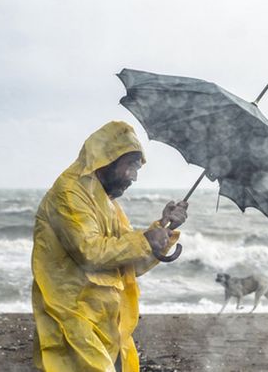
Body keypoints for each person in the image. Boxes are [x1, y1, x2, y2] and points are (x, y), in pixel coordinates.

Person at [31, 121, 188, 372]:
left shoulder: (106, 201)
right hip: (72, 315)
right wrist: (146, 240)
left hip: (105, 321)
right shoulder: (70, 194)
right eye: (131, 167)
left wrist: (163, 230)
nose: (134, 177)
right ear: (107, 159)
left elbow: (129, 264)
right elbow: (90, 252)